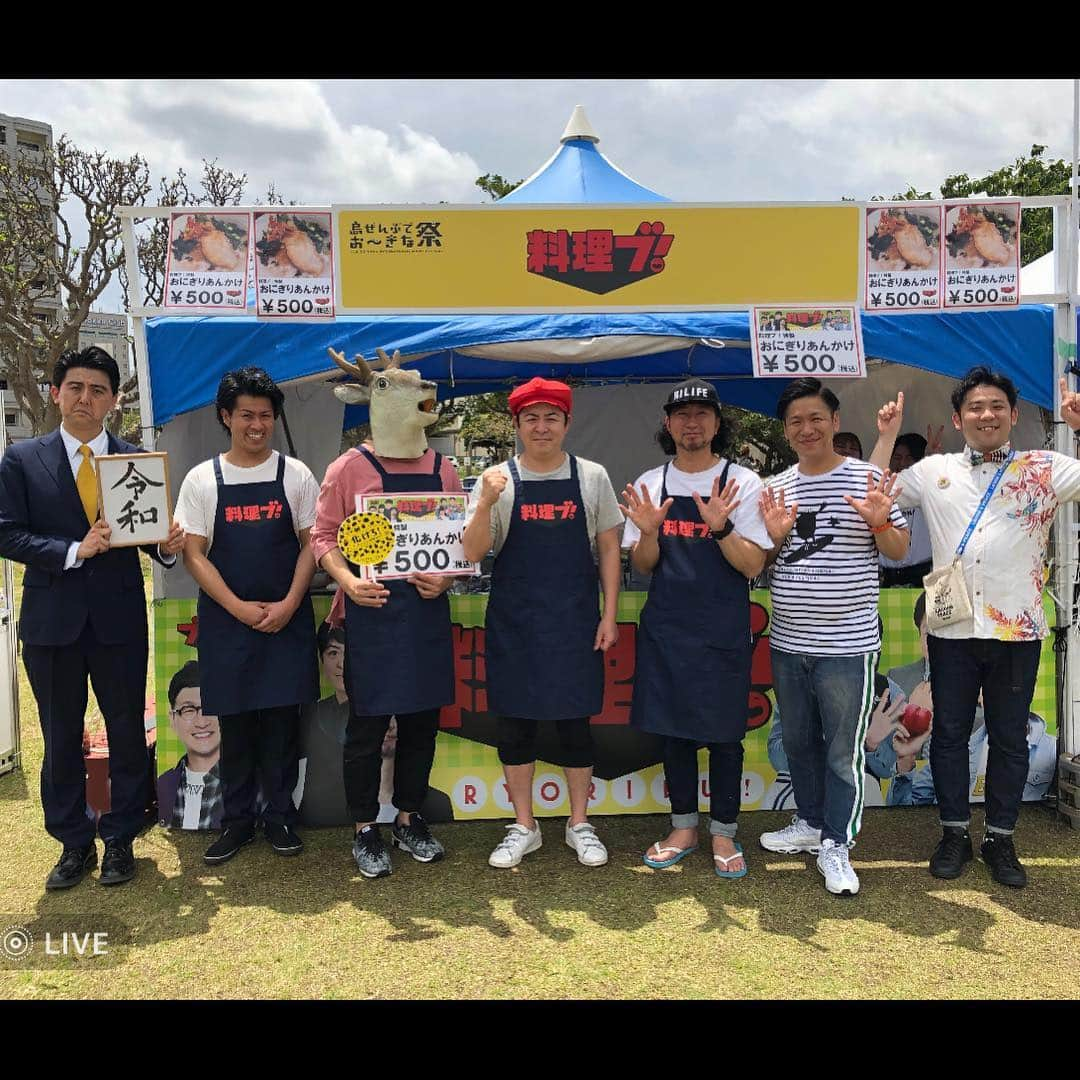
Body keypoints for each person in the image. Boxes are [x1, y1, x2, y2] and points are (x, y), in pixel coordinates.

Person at [869, 371, 1080, 887]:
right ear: (959, 417)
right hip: (952, 633)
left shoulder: (1045, 468)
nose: (986, 414)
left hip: (1017, 630)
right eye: (976, 407)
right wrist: (887, 437)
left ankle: (1001, 839)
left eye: (997, 406)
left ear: (1012, 414)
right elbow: (873, 494)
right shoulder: (933, 471)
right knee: (947, 736)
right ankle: (954, 832)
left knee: (1008, 738)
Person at [0, 346, 185, 889]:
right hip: (51, 622)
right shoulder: (22, 459)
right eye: (76, 387)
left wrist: (168, 546)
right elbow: (6, 532)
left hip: (118, 621)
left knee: (127, 731)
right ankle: (72, 842)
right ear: (57, 393)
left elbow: (151, 542)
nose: (86, 398)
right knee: (60, 736)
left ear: (113, 400)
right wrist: (74, 550)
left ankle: (122, 838)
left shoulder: (135, 462)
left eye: (98, 389)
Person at [462, 377, 622, 869]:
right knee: (516, 726)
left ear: (567, 423)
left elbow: (610, 548)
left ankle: (579, 823)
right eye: (531, 417)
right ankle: (524, 826)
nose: (541, 426)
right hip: (516, 623)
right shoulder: (496, 479)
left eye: (551, 416)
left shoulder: (592, 476)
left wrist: (610, 614)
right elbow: (471, 552)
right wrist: (485, 501)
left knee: (576, 725)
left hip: (575, 621)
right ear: (517, 425)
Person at [757, 378, 908, 896]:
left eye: (816, 418)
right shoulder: (775, 486)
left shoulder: (870, 479)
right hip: (788, 642)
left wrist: (880, 520)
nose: (807, 428)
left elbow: (899, 548)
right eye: (796, 421)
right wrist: (774, 539)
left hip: (847, 647)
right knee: (798, 741)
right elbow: (762, 562)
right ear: (785, 430)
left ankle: (837, 844)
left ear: (835, 422)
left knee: (842, 750)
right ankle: (809, 822)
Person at [620, 379, 771, 878]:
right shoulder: (650, 482)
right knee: (675, 734)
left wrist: (721, 526)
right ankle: (683, 827)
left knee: (726, 736)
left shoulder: (741, 483)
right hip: (667, 629)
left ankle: (724, 833)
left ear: (716, 424)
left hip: (722, 629)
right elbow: (644, 566)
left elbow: (752, 566)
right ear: (668, 424)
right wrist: (647, 531)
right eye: (682, 415)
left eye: (702, 414)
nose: (692, 423)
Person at [176, 367, 320, 866]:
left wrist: (289, 604)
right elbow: (194, 553)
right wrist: (236, 607)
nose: (256, 425)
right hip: (225, 621)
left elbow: (312, 545)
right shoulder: (202, 479)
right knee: (234, 725)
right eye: (245, 415)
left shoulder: (295, 474)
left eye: (265, 415)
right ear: (225, 417)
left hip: (286, 617)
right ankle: (236, 821)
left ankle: (281, 816)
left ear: (274, 419)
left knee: (282, 723)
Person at [313, 435, 463, 879]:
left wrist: (449, 577)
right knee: (367, 730)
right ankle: (364, 827)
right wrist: (348, 581)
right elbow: (322, 537)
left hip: (424, 615)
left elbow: (461, 535)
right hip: (371, 614)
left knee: (421, 724)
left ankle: (408, 818)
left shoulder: (443, 468)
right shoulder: (347, 467)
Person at [294, 622, 452, 826]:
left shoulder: (438, 803)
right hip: (335, 813)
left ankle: (408, 823)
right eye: (333, 653)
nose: (343, 663)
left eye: (348, 653)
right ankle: (365, 831)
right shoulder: (314, 715)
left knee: (419, 733)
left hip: (417, 627)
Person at [157, 660, 223, 830]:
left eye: (210, 708)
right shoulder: (165, 783)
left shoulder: (249, 783)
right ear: (172, 719)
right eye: (188, 711)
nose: (201, 722)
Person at [879, 432, 936, 587]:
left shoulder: (930, 487)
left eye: (909, 458)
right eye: (897, 457)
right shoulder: (879, 491)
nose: (902, 463)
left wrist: (930, 461)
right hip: (885, 578)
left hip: (923, 577)